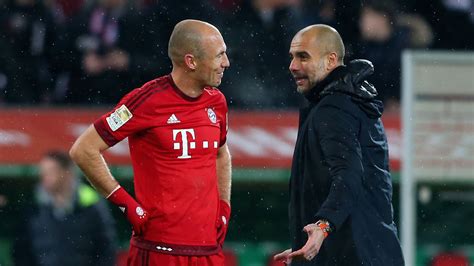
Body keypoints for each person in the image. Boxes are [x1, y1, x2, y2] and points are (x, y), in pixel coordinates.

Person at [69, 19, 232, 265]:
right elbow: (84, 149)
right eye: (219, 55)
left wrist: (224, 206)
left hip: (208, 251)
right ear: (191, 61)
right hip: (159, 251)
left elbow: (221, 154)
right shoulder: (145, 101)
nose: (226, 63)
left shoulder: (216, 102)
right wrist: (126, 204)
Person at [274, 24, 405, 265]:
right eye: (292, 57)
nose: (293, 66)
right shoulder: (348, 101)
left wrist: (323, 227)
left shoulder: (334, 107)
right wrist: (310, 243)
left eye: (303, 57)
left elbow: (348, 175)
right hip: (368, 251)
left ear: (331, 60)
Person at [13, 150, 117, 266]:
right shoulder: (33, 206)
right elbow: (21, 251)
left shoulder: (91, 204)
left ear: (67, 173)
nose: (44, 176)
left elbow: (106, 249)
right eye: (43, 172)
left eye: (51, 171)